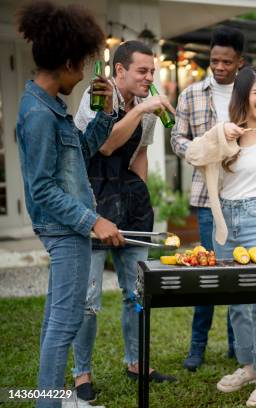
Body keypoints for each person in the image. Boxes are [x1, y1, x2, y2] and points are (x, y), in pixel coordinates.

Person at [15, 2, 124, 407]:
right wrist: (93, 220)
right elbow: (42, 189)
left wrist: (106, 113)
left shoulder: (49, 108)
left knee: (55, 322)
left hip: (67, 226)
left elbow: (77, 154)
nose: (82, 77)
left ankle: (52, 400)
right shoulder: (38, 115)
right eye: (81, 67)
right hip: (65, 229)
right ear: (67, 61)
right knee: (65, 324)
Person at [185, 66, 256, 407]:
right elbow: (193, 154)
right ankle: (249, 366)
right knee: (236, 300)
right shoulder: (225, 133)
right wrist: (222, 133)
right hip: (226, 222)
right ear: (243, 97)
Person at [71, 40, 177, 402]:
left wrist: (139, 201)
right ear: (120, 71)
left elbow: (140, 154)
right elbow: (106, 145)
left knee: (137, 291)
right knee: (88, 299)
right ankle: (81, 373)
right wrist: (145, 107)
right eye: (142, 71)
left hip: (127, 199)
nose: (150, 78)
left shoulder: (145, 109)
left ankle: (136, 362)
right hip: (91, 200)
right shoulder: (98, 94)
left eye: (153, 72)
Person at [170, 26, 245, 371]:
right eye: (214, 60)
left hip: (243, 194)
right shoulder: (190, 95)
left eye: (226, 62)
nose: (219, 67)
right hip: (205, 198)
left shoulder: (247, 95)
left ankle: (237, 347)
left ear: (239, 62)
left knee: (238, 273)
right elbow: (177, 139)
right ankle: (197, 347)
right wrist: (201, 150)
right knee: (208, 272)